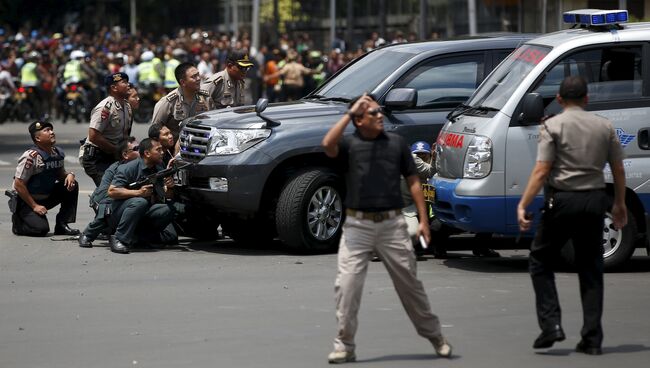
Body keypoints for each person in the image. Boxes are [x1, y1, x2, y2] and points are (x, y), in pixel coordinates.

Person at [321, 94, 452, 363]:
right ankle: (345, 345)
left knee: (410, 286)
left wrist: (424, 221)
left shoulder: (396, 144)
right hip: (357, 226)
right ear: (359, 120)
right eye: (372, 113)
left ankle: (436, 335)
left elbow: (414, 182)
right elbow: (327, 144)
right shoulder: (350, 144)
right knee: (347, 285)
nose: (380, 116)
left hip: (392, 225)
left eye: (380, 111)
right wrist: (349, 113)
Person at [517, 76, 627, 356]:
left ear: (560, 99)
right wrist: (619, 204)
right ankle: (592, 339)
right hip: (594, 201)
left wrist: (523, 204)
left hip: (563, 201)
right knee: (591, 268)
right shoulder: (604, 126)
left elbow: (542, 170)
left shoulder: (552, 126)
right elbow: (618, 169)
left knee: (541, 260)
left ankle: (551, 325)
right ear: (587, 99)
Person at [107, 138, 177, 254]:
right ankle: (119, 238)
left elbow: (165, 196)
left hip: (142, 211)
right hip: (119, 212)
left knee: (168, 209)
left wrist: (169, 187)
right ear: (147, 153)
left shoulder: (158, 168)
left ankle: (141, 239)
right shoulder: (130, 168)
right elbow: (112, 191)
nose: (162, 152)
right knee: (140, 202)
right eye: (158, 150)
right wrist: (138, 193)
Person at [10, 121, 79, 236]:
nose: (52, 132)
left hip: (45, 196)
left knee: (72, 185)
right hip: (26, 201)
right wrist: (34, 206)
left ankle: (62, 225)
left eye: (51, 130)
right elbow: (19, 184)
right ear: (38, 138)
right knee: (41, 230)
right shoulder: (30, 157)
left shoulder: (57, 153)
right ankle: (18, 223)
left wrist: (70, 175)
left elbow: (60, 174)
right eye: (47, 130)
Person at [78, 137, 139, 248]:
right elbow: (104, 197)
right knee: (109, 209)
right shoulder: (115, 169)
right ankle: (88, 234)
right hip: (105, 202)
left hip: (126, 200)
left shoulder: (142, 165)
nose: (140, 151)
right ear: (125, 155)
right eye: (136, 148)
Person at [81, 72, 132, 186]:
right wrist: (115, 150)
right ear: (114, 88)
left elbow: (124, 133)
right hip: (97, 157)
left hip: (113, 155)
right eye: (124, 82)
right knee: (108, 190)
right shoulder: (105, 107)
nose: (128, 85)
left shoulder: (126, 106)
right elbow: (94, 135)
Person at [152, 62, 212, 141]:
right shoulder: (168, 102)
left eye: (198, 74)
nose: (198, 78)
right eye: (194, 77)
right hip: (175, 148)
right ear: (183, 82)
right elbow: (154, 132)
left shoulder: (205, 97)